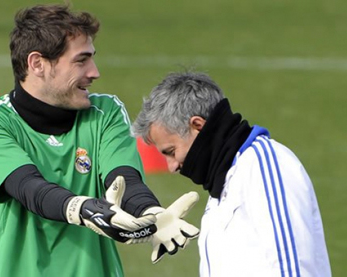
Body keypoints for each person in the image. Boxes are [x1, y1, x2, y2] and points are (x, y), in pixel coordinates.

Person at [0, 4, 199, 277]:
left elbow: (124, 181)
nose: (95, 72)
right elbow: (28, 188)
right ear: (37, 63)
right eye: (81, 60)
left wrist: (151, 212)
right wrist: (86, 209)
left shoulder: (105, 113)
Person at [132, 71, 332, 277]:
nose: (172, 167)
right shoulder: (223, 185)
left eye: (171, 152)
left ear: (197, 126)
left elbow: (292, 269)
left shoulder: (261, 165)